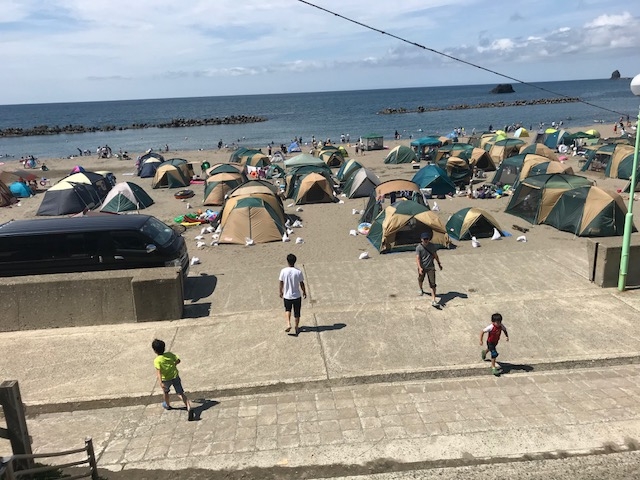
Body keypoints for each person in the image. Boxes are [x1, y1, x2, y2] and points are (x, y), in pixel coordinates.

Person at [151, 339, 193, 418]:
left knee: (166, 392)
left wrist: (160, 382)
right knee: (180, 393)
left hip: (166, 379)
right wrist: (174, 364)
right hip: (175, 376)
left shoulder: (157, 360)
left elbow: (158, 372)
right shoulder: (169, 354)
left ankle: (167, 404)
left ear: (155, 351)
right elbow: (178, 360)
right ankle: (188, 406)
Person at [278, 253, 307, 336]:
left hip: (287, 295)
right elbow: (301, 283)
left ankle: (288, 323)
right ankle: (296, 327)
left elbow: (281, 282)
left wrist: (280, 291)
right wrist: (304, 291)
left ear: (287, 261)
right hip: (296, 295)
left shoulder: (283, 271)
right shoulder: (298, 272)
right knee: (297, 312)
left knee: (287, 309)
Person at [415, 230, 442, 307]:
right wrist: (420, 268)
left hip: (431, 267)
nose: (426, 240)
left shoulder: (432, 246)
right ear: (421, 239)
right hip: (422, 267)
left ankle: (433, 300)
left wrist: (439, 264)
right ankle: (421, 289)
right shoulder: (419, 248)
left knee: (432, 284)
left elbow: (435, 255)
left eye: (427, 239)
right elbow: (417, 259)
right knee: (420, 279)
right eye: (424, 239)